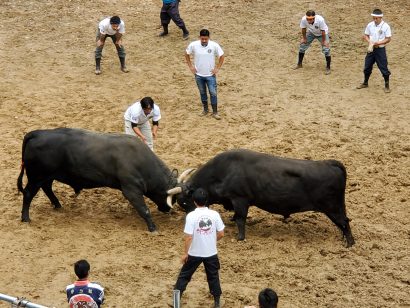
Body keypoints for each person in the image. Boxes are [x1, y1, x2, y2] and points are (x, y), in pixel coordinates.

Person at [174, 188, 225, 308]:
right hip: (211, 253)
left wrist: (185, 253)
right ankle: (217, 302)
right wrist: (212, 241)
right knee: (213, 277)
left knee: (183, 276)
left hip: (194, 252)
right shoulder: (215, 214)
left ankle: (176, 302)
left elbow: (188, 237)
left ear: (194, 201)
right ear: (207, 200)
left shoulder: (191, 216)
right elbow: (221, 233)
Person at [185, 29, 225, 120]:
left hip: (210, 75)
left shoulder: (214, 45)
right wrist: (191, 66)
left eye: (205, 39)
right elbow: (187, 54)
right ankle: (205, 110)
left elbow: (222, 56)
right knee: (202, 92)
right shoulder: (193, 45)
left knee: (213, 93)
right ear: (199, 37)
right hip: (199, 75)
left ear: (209, 38)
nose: (204, 41)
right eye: (202, 39)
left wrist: (217, 68)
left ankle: (215, 112)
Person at [357, 8, 392, 93]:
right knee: (367, 66)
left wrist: (378, 43)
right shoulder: (370, 25)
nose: (375, 20)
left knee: (383, 67)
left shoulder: (386, 26)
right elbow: (366, 35)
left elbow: (388, 39)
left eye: (376, 18)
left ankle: (387, 86)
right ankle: (365, 83)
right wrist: (370, 42)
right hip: (371, 48)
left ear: (380, 17)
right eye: (373, 18)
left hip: (380, 50)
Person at [294, 10, 331, 75]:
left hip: (322, 34)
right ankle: (299, 64)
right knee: (302, 46)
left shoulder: (320, 20)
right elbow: (303, 29)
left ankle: (328, 68)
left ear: (314, 18)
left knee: (326, 49)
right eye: (307, 19)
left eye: (310, 19)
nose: (309, 21)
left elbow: (323, 31)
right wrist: (304, 38)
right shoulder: (303, 19)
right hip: (311, 32)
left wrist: (324, 41)